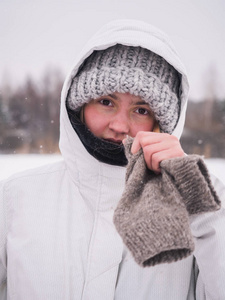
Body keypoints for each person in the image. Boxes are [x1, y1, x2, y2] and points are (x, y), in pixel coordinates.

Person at [0, 19, 225, 300]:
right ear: (80, 104)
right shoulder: (17, 197)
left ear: (162, 124)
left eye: (141, 110)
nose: (120, 126)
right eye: (106, 102)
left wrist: (201, 206)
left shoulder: (203, 208)